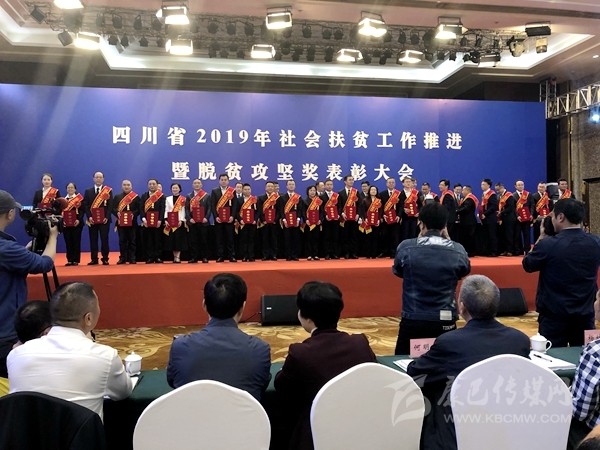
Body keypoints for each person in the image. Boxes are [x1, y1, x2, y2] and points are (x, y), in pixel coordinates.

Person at [406, 275, 530, 450]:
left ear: (462, 306)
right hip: (508, 431)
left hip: (456, 435)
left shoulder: (450, 343)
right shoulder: (519, 340)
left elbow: (415, 374)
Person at [274, 281, 376, 450]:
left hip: (314, 433)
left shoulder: (301, 353)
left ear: (305, 317)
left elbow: (282, 387)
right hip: (359, 428)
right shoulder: (360, 343)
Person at [7, 281, 132, 419]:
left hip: (26, 433)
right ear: (88, 318)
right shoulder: (105, 356)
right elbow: (123, 392)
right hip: (81, 433)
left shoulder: (15, 355)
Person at [166, 273, 270, 401]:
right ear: (242, 307)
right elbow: (261, 386)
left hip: (192, 413)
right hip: (239, 414)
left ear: (204, 305)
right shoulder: (260, 349)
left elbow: (173, 381)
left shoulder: (180, 346)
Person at [393, 202, 471, 355]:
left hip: (413, 317)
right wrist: (449, 240)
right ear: (445, 225)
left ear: (421, 223)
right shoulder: (458, 249)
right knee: (446, 362)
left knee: (404, 362)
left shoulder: (406, 247)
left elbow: (398, 271)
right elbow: (464, 271)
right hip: (445, 319)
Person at [523, 198, 600, 346]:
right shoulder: (596, 242)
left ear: (560, 217)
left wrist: (541, 237)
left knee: (551, 356)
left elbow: (528, 265)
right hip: (586, 314)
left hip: (553, 317)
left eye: (552, 216)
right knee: (585, 354)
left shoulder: (547, 244)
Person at [0, 190, 57, 377]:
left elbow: (12, 263)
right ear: (10, 213)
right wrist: (53, 237)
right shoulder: (6, 248)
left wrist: (26, 253)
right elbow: (44, 264)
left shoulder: (8, 249)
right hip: (5, 332)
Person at [83, 172, 112, 265]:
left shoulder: (108, 191)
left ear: (103, 179)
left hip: (104, 220)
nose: (98, 179)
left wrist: (107, 217)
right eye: (96, 177)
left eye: (100, 177)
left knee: (104, 239)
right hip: (92, 220)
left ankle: (105, 258)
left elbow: (110, 205)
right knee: (93, 239)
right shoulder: (88, 191)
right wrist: (89, 217)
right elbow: (86, 205)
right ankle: (94, 259)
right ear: (93, 179)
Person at [112, 179, 141, 264]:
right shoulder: (117, 197)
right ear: (122, 186)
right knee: (122, 241)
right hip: (121, 223)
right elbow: (113, 208)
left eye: (128, 185)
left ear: (131, 186)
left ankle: (132, 258)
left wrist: (133, 214)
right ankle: (122, 258)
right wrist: (117, 213)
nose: (126, 186)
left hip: (132, 223)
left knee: (132, 241)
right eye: (124, 185)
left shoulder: (135, 197)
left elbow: (139, 209)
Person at [210, 174, 238, 262]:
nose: (223, 181)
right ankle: (220, 256)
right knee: (219, 238)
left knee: (230, 238)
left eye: (225, 180)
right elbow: (212, 205)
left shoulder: (232, 191)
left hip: (229, 219)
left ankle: (231, 256)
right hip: (219, 219)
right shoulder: (214, 191)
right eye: (222, 180)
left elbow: (235, 205)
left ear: (228, 181)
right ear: (219, 181)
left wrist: (232, 216)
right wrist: (215, 217)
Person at [186, 178, 211, 263]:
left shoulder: (207, 196)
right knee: (193, 241)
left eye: (198, 183)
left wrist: (206, 218)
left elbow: (209, 208)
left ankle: (204, 257)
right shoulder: (189, 196)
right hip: (193, 222)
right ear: (192, 185)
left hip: (203, 222)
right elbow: (186, 209)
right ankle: (194, 257)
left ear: (201, 185)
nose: (197, 184)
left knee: (204, 240)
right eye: (195, 183)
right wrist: (190, 219)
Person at [278, 180, 303, 261]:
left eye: (293, 184)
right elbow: (281, 210)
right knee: (287, 238)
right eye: (289, 184)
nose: (291, 186)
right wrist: (284, 219)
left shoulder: (298, 197)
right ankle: (288, 255)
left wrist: (298, 219)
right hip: (286, 221)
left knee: (296, 238)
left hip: (296, 221)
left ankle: (295, 255)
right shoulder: (282, 197)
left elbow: (300, 209)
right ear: (286, 186)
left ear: (295, 186)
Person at [164, 183, 188, 263]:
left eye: (176, 188)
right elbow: (166, 209)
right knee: (172, 240)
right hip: (170, 222)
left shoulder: (183, 199)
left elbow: (183, 210)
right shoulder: (168, 199)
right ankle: (174, 256)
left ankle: (178, 257)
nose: (174, 189)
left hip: (179, 222)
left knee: (179, 240)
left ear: (179, 189)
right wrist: (166, 220)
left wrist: (181, 220)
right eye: (173, 188)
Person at [62, 182, 84, 266]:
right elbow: (60, 212)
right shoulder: (63, 200)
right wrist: (63, 221)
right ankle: (69, 259)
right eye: (68, 187)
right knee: (68, 242)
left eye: (72, 187)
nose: (70, 189)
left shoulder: (79, 199)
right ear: (66, 189)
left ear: (75, 189)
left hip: (77, 224)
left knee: (76, 241)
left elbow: (82, 211)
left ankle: (75, 260)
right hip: (66, 224)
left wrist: (78, 219)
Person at [379, 177, 401, 258]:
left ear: (395, 184)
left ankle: (394, 252)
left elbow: (401, 206)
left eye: (392, 182)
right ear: (386, 184)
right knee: (385, 235)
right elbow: (380, 206)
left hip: (395, 218)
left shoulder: (398, 194)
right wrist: (382, 215)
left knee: (394, 236)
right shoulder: (382, 194)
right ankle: (385, 252)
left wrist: (399, 215)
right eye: (389, 182)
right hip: (386, 218)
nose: (391, 184)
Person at [338, 175, 359, 259]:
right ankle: (346, 253)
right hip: (345, 218)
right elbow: (339, 206)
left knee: (354, 236)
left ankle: (353, 253)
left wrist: (358, 214)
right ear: (345, 181)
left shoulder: (356, 192)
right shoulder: (340, 193)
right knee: (345, 236)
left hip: (354, 218)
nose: (351, 181)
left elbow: (359, 205)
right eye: (350, 180)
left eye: (352, 180)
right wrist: (342, 213)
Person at [257, 181, 279, 261]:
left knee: (274, 239)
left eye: (271, 186)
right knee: (265, 239)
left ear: (274, 188)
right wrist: (263, 220)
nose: (270, 188)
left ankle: (273, 255)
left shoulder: (277, 198)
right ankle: (265, 255)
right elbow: (259, 210)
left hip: (274, 222)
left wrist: (275, 219)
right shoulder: (261, 198)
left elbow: (279, 210)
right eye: (268, 186)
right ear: (265, 188)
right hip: (264, 222)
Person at [359, 185, 382, 259]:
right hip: (368, 221)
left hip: (376, 221)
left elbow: (381, 211)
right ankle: (368, 254)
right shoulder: (365, 200)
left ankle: (374, 254)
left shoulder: (379, 200)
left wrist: (379, 219)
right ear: (369, 191)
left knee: (375, 237)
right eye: (372, 190)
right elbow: (362, 211)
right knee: (368, 237)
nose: (373, 191)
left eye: (375, 190)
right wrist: (365, 218)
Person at [455, 185, 478, 257]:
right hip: (466, 221)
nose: (462, 192)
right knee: (466, 237)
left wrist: (456, 211)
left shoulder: (470, 199)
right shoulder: (466, 198)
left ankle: (470, 252)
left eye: (463, 190)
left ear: (467, 191)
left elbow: (466, 208)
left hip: (469, 221)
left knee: (469, 237)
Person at [237, 183, 258, 262]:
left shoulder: (254, 199)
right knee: (244, 240)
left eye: (248, 189)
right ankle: (244, 256)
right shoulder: (239, 200)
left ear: (251, 190)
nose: (247, 191)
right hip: (243, 223)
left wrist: (255, 219)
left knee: (251, 240)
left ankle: (251, 256)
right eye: (245, 189)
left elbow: (258, 211)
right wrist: (240, 220)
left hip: (252, 223)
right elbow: (236, 212)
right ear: (242, 190)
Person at [495, 182, 517, 256]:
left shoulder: (509, 195)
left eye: (498, 190)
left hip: (509, 218)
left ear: (502, 187)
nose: (497, 191)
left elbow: (511, 207)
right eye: (496, 190)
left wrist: (501, 212)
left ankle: (510, 250)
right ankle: (504, 250)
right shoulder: (499, 196)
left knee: (509, 234)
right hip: (502, 218)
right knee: (503, 235)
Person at [513, 180, 534, 255]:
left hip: (527, 218)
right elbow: (513, 208)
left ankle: (527, 250)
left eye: (522, 185)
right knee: (517, 235)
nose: (521, 186)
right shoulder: (513, 195)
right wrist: (517, 216)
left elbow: (532, 205)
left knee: (527, 234)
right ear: (515, 186)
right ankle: (518, 250)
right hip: (518, 219)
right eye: (519, 185)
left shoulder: (528, 194)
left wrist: (531, 214)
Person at [399, 176, 422, 242]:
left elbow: (420, 205)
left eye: (409, 182)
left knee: (413, 234)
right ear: (403, 183)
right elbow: (398, 206)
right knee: (405, 234)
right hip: (404, 218)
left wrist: (418, 212)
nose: (408, 183)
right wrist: (404, 209)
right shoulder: (400, 194)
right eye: (406, 182)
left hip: (414, 217)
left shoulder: (416, 193)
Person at [303, 185, 323, 261]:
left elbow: (321, 212)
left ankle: (315, 254)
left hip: (317, 223)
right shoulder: (304, 201)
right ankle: (309, 254)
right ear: (308, 192)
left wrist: (320, 219)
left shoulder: (318, 201)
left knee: (316, 238)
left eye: (314, 190)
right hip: (308, 223)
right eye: (311, 190)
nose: (312, 192)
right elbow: (302, 212)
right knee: (308, 238)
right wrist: (306, 220)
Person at [479, 178, 498, 257]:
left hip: (491, 218)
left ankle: (494, 251)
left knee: (492, 235)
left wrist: (485, 214)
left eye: (484, 184)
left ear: (488, 185)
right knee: (486, 235)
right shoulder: (484, 194)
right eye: (481, 184)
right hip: (485, 218)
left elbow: (494, 206)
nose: (482, 186)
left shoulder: (492, 194)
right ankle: (487, 250)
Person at [321, 179, 340, 260]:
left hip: (335, 219)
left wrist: (338, 214)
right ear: (325, 186)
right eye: (328, 184)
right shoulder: (321, 196)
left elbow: (340, 206)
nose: (329, 186)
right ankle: (327, 253)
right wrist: (325, 215)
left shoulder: (336, 196)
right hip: (326, 220)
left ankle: (334, 253)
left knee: (335, 237)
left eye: (331, 184)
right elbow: (321, 208)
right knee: (327, 237)